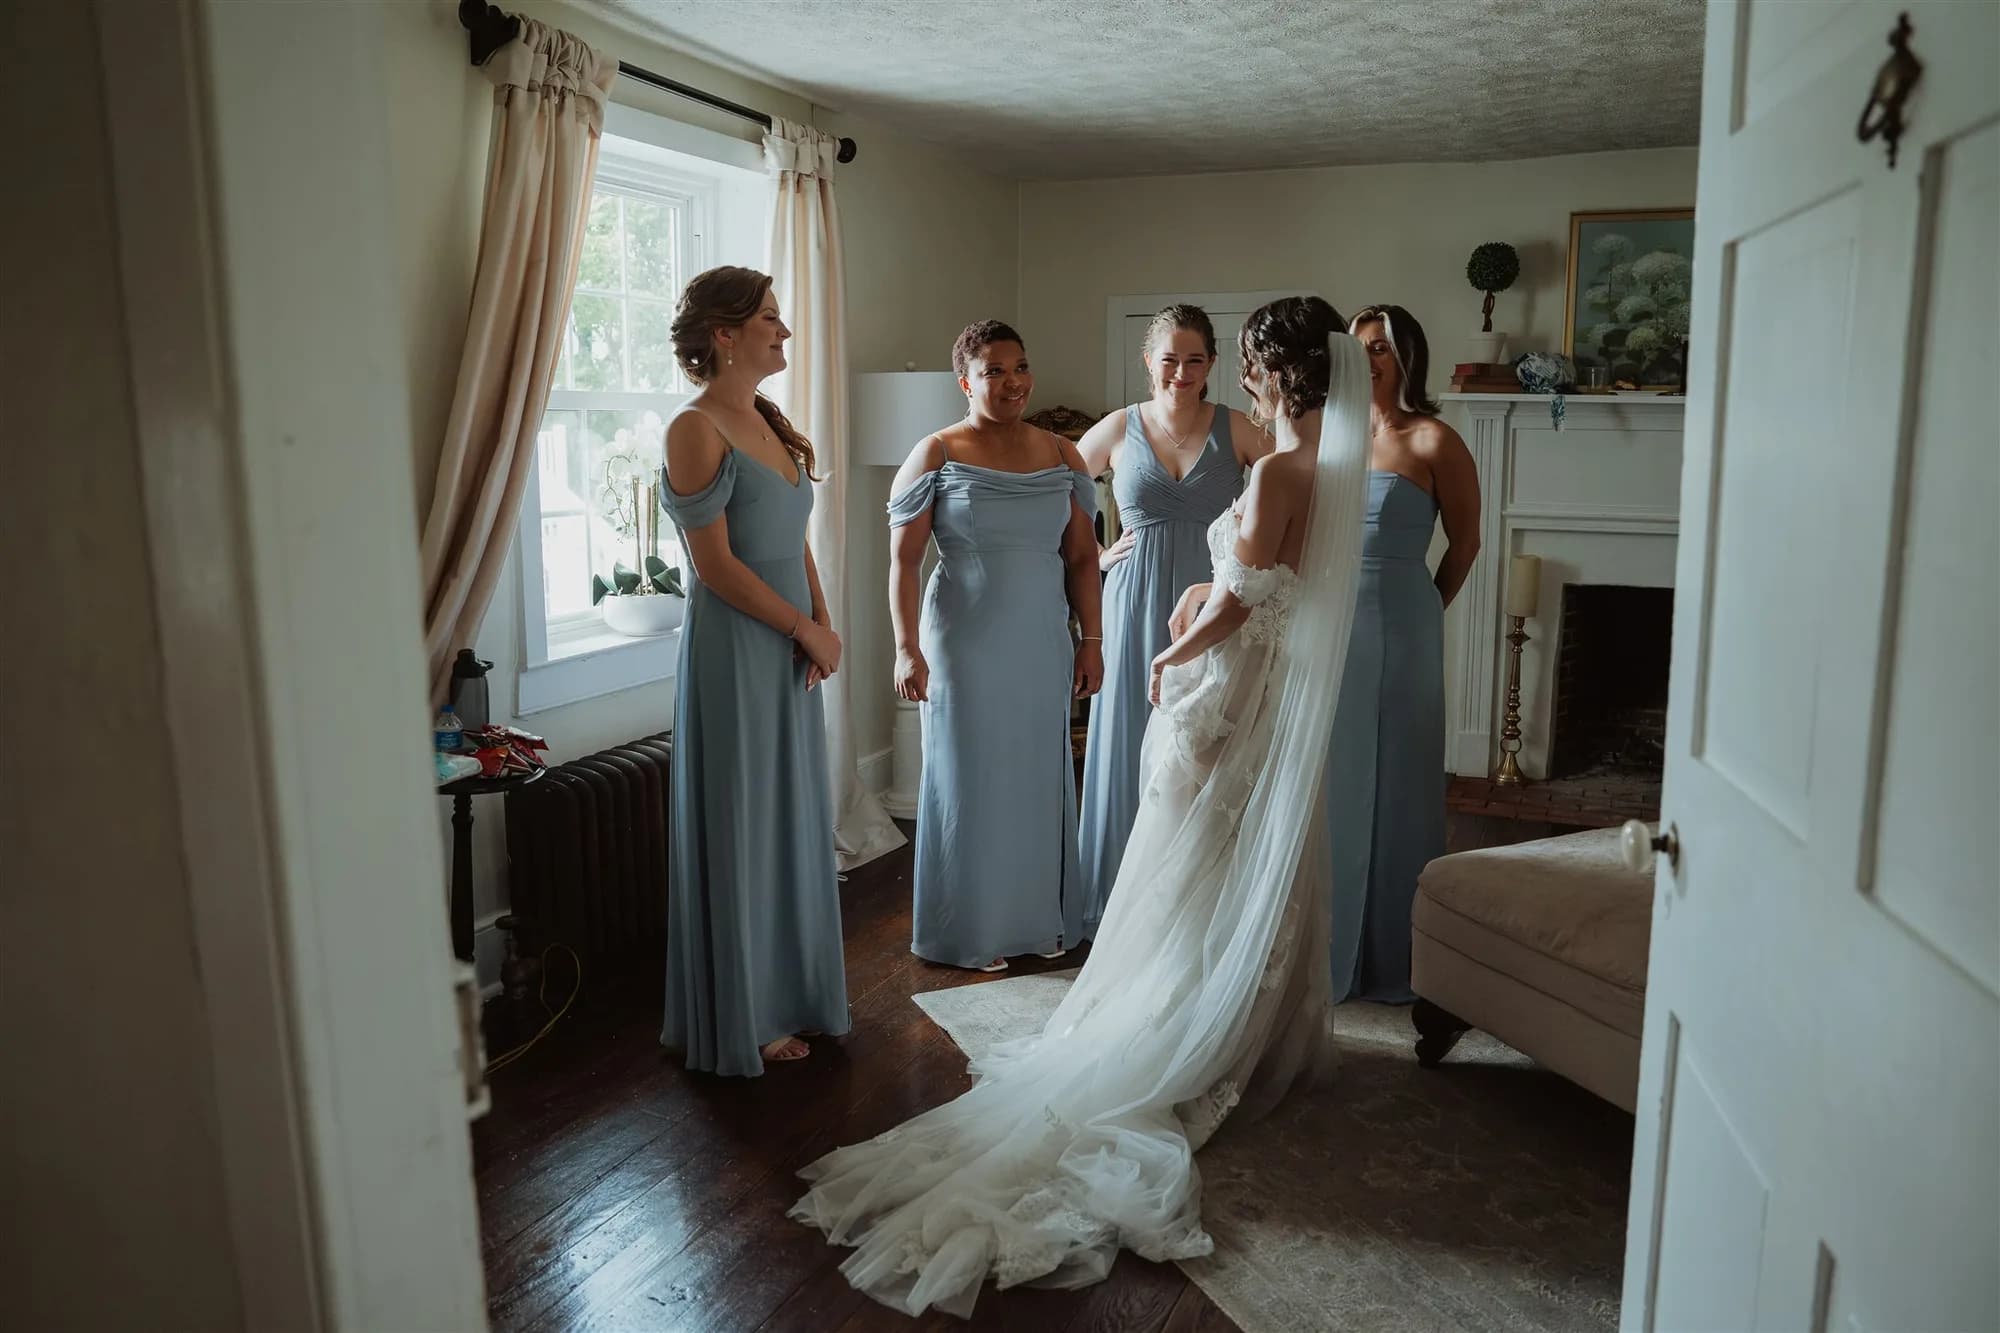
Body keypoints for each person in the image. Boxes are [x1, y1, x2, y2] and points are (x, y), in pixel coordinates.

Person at [791, 297, 1372, 1318]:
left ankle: (1187, 1012)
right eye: (1189, 358)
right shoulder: (1330, 461)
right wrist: (1171, 594)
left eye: (1234, 362)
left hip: (1230, 671)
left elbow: (1243, 589)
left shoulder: (1274, 463)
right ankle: (1256, 1017)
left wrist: (1171, 640)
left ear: (1271, 374)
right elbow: (1263, 577)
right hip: (1267, 682)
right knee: (1240, 847)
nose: (1221, 377)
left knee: (1191, 841)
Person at [656, 266, 848, 1076]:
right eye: (771, 318)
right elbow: (717, 569)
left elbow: (795, 537)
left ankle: (798, 986)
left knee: (792, 818)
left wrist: (824, 625)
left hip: (789, 644)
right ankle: (749, 1009)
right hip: (735, 650)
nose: (786, 331)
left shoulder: (767, 419)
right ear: (724, 335)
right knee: (746, 824)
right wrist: (803, 626)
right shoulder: (695, 428)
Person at [888, 320, 1103, 973]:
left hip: (1041, 639)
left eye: (1019, 368)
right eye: (993, 371)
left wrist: (1091, 639)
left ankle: (1036, 919)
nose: (1011, 383)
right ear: (966, 381)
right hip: (964, 639)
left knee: (1037, 775)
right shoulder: (937, 453)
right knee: (971, 778)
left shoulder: (1064, 456)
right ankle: (970, 927)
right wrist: (904, 647)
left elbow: (1082, 559)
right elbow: (903, 560)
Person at [1074, 304, 1273, 940]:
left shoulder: (1239, 429)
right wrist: (1097, 556)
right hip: (1133, 604)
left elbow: (1297, 495)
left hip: (1213, 605)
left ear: (1212, 363)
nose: (1181, 372)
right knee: (1132, 730)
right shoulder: (1116, 429)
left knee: (1202, 741)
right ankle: (1114, 906)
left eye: (1194, 360)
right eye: (1169, 359)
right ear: (1147, 361)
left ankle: (1194, 906)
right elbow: (1054, 497)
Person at [1325, 303, 1480, 1003]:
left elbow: (1467, 541)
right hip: (1333, 623)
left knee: (1401, 779)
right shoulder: (1333, 434)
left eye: (1381, 347)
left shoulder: (1433, 440)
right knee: (1339, 775)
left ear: (1406, 356)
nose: (1369, 359)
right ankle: (1331, 949)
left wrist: (1425, 608)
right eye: (1359, 347)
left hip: (1405, 618)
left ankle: (1395, 954)